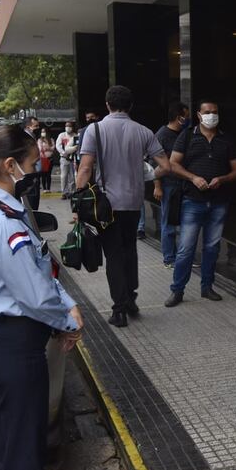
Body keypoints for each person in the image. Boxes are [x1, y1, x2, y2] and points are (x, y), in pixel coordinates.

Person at [0, 126, 84, 470]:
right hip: (16, 345)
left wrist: (68, 303)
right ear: (10, 165)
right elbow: (32, 292)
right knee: (24, 455)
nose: (34, 171)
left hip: (11, 342)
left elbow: (38, 268)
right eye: (31, 164)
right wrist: (68, 321)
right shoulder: (2, 223)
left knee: (14, 447)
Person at [75, 85, 171, 328]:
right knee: (130, 250)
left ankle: (119, 309)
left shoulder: (94, 130)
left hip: (106, 206)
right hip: (134, 202)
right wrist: (147, 176)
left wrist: (78, 201)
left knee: (114, 255)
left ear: (107, 105)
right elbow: (166, 166)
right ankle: (131, 297)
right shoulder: (144, 131)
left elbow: (85, 168)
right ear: (130, 106)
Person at [164, 99, 236, 307]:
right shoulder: (188, 136)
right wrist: (193, 178)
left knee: (212, 247)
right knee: (185, 248)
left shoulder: (226, 140)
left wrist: (222, 179)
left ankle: (207, 287)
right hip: (192, 200)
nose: (211, 115)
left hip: (219, 201)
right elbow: (172, 164)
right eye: (207, 112)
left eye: (215, 111)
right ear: (198, 115)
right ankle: (177, 290)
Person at [153, 102, 189, 267]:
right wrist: (157, 186)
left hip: (183, 184)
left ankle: (182, 256)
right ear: (178, 117)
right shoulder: (162, 135)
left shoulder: (183, 133)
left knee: (183, 223)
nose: (187, 119)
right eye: (185, 116)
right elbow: (154, 164)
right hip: (168, 184)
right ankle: (169, 258)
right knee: (168, 222)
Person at [22, 116, 41, 210]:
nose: (38, 128)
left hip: (35, 173)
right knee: (31, 202)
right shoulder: (23, 139)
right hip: (29, 174)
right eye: (35, 126)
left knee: (34, 201)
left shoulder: (32, 137)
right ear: (28, 126)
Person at [56, 121, 78, 199]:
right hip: (64, 158)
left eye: (69, 126)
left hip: (73, 159)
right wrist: (64, 153)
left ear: (72, 127)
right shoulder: (62, 135)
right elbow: (58, 146)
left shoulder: (75, 135)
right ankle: (64, 192)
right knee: (64, 176)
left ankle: (72, 192)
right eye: (66, 126)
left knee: (72, 177)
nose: (68, 127)